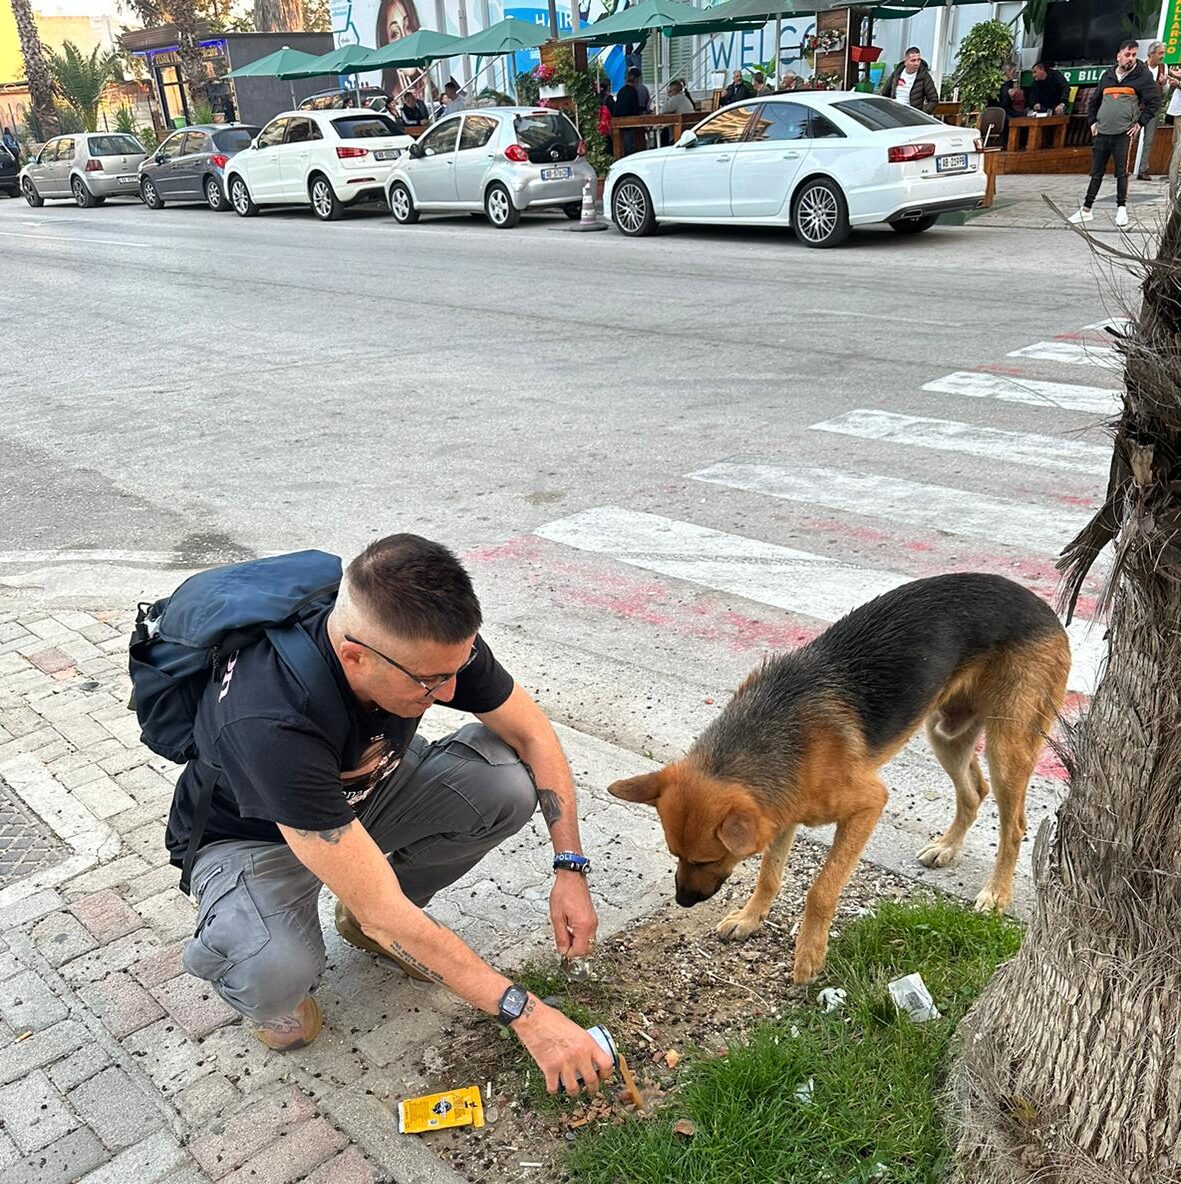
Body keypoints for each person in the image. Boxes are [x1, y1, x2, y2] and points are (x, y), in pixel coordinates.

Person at [167, 535, 614, 1094]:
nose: (451, 690)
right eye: (430, 683)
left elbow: (532, 733)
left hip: (367, 794)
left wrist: (569, 865)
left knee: (504, 783)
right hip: (256, 839)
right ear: (355, 655)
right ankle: (256, 972)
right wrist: (529, 1017)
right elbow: (380, 905)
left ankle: (380, 929)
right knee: (277, 970)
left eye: (456, 669)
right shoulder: (268, 719)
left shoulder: (424, 644)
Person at [1069, 39, 1160, 228]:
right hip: (1102, 132)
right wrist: (1092, 122)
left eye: (1134, 55)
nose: (1131, 59)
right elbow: (1093, 102)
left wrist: (1140, 124)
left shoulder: (1142, 77)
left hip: (1123, 133)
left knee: (1121, 173)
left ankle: (1121, 209)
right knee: (1096, 172)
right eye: (1127, 54)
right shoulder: (1107, 75)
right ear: (1118, 55)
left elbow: (1154, 102)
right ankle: (1087, 209)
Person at [376, 0, 424, 107]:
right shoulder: (390, 98)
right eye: (395, 34)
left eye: (408, 27)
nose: (405, 39)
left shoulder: (431, 84)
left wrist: (429, 92)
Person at [1136, 41, 1168, 180]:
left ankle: (1143, 170)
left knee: (1148, 139)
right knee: (1131, 137)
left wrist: (1164, 83)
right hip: (1137, 107)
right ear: (1151, 54)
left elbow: (1165, 92)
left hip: (1153, 108)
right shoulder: (1139, 68)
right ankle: (1124, 167)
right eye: (1160, 53)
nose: (1162, 56)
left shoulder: (1163, 67)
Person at [879, 46, 939, 114]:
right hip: (893, 112)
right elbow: (884, 93)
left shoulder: (924, 76)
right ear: (906, 62)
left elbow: (933, 99)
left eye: (918, 60)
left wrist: (921, 114)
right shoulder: (897, 73)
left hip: (911, 115)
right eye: (913, 60)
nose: (916, 63)